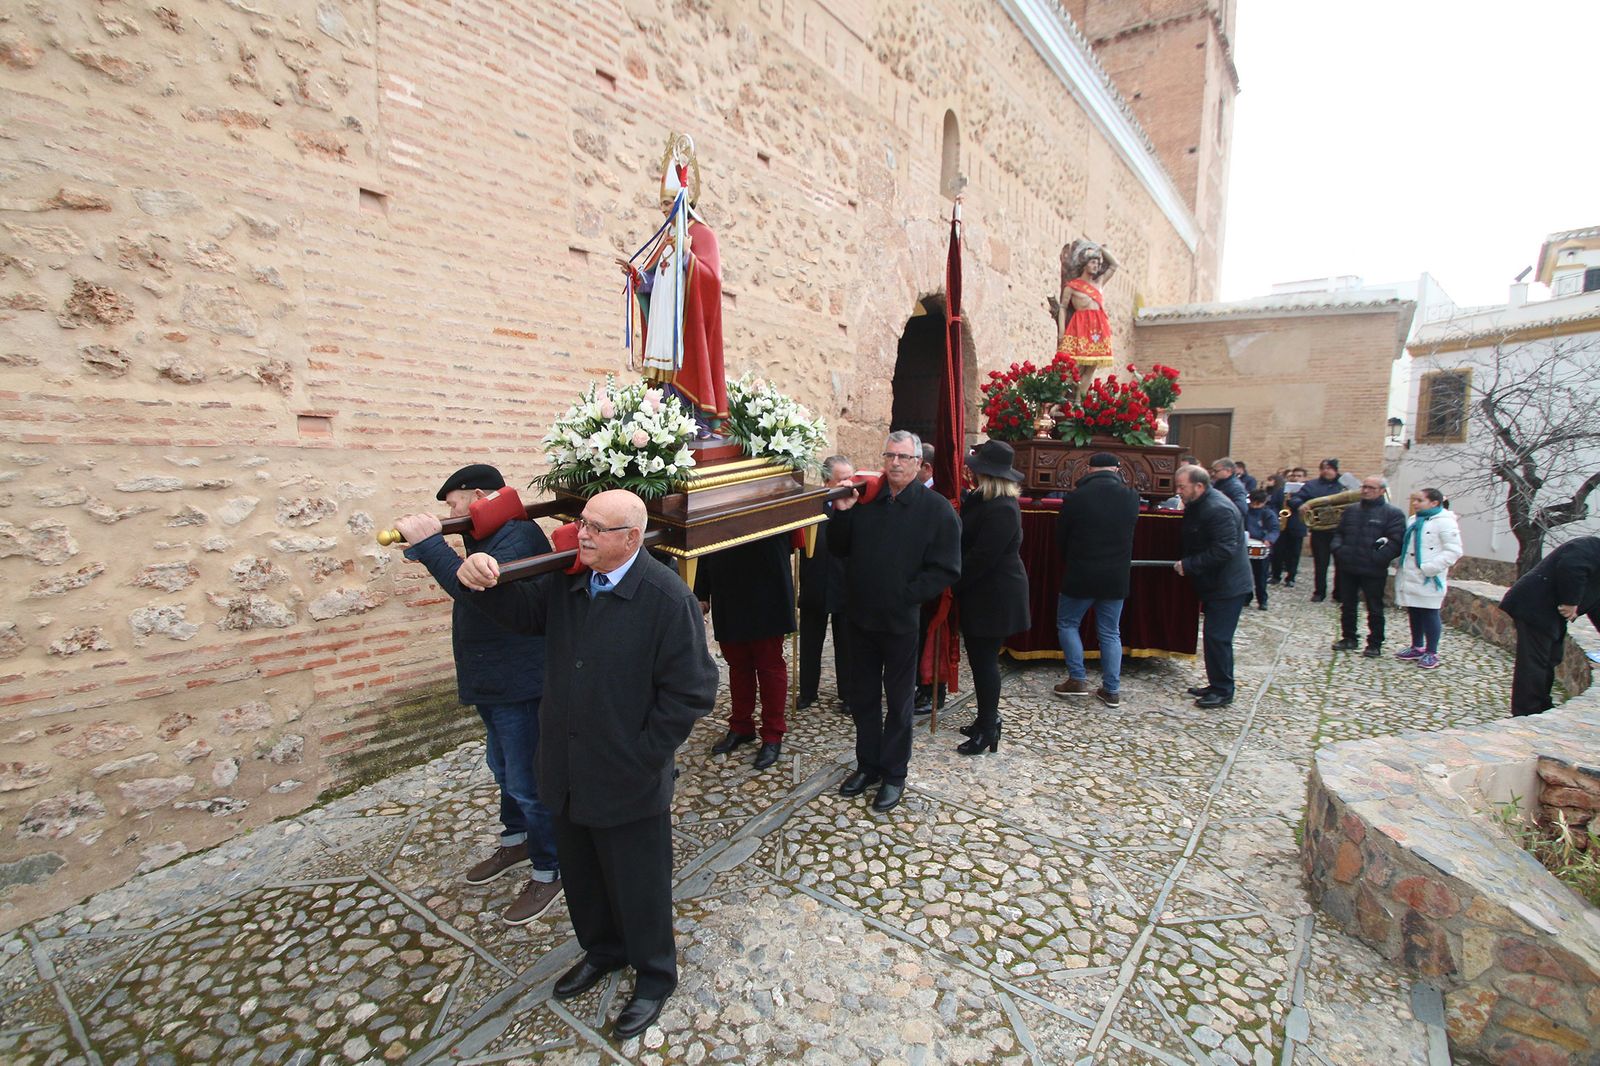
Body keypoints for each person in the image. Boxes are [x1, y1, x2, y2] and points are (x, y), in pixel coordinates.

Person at [455, 490, 717, 1040]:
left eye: (597, 527)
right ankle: (602, 950)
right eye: (582, 523)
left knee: (638, 885)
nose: (583, 534)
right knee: (582, 875)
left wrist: (643, 755)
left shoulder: (666, 598)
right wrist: (475, 575)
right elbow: (518, 614)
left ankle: (654, 976)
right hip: (566, 766)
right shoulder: (570, 580)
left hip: (628, 778)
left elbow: (692, 690)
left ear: (631, 538)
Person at [394, 464, 562, 925]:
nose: (451, 513)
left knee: (527, 780)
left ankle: (550, 869)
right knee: (502, 767)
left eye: (454, 504)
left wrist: (432, 546)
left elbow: (477, 591)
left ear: (478, 496)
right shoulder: (489, 533)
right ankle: (516, 842)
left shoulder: (518, 535)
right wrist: (430, 548)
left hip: (519, 680)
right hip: (493, 678)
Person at [829, 430, 961, 813]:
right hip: (860, 618)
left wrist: (907, 595)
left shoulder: (936, 509)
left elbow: (947, 568)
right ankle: (867, 765)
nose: (895, 463)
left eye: (903, 457)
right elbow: (838, 548)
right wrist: (844, 512)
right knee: (863, 698)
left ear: (918, 463)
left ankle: (894, 774)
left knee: (899, 703)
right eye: (890, 456)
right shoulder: (867, 501)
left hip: (901, 622)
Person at [616, 132, 727, 436]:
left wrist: (688, 256)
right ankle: (667, 418)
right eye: (662, 205)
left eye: (668, 203)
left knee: (686, 369)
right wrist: (639, 278)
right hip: (664, 324)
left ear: (683, 200)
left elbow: (713, 279)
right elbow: (656, 278)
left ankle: (695, 420)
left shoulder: (701, 234)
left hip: (687, 326)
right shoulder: (668, 236)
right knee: (663, 374)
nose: (664, 210)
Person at [949, 441, 1031, 755]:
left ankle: (988, 727)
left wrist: (952, 584)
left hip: (995, 596)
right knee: (979, 660)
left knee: (985, 663)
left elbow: (982, 557)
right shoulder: (983, 499)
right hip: (981, 593)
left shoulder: (1003, 508)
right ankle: (986, 719)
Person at [697, 532, 795, 770]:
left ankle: (772, 733)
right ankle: (741, 726)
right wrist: (701, 590)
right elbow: (703, 534)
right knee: (738, 663)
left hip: (766, 581)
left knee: (769, 665)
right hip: (727, 583)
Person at [1052, 451, 1140, 707]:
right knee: (1111, 632)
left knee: (1068, 623)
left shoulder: (1076, 497)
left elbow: (1061, 536)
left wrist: (1070, 558)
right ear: (1116, 470)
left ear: (1089, 469)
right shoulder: (1130, 497)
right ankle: (1111, 689)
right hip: (1115, 575)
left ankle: (1077, 679)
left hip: (1081, 571)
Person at [1173, 465, 1253, 708]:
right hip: (1214, 583)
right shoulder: (1199, 504)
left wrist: (1190, 564)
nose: (1178, 491)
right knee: (1212, 637)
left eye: (1182, 487)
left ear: (1199, 486)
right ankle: (1216, 683)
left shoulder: (1218, 509)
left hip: (1228, 585)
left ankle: (1223, 690)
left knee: (1218, 637)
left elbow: (1224, 549)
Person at [1498, 536, 1600, 717]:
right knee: (1535, 662)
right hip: (1534, 605)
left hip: (1549, 613)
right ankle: (1527, 711)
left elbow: (1596, 604)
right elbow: (1571, 566)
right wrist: (1571, 601)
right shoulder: (1589, 547)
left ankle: (1541, 704)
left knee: (1551, 658)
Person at [798, 455, 854, 711]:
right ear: (827, 480)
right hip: (815, 582)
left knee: (847, 643)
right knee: (810, 642)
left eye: (850, 478)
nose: (848, 484)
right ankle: (808, 692)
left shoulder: (857, 506)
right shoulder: (813, 507)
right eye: (842, 479)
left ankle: (849, 694)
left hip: (846, 584)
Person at [1330, 475, 1406, 657]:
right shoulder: (1351, 510)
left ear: (1382, 491)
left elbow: (1396, 542)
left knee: (1374, 607)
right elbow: (1339, 533)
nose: (1365, 490)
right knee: (1347, 605)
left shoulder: (1393, 514)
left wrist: (1377, 558)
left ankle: (1374, 643)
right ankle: (1349, 637)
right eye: (1364, 487)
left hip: (1373, 569)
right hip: (1348, 566)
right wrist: (1339, 550)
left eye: (1371, 488)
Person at [1392, 488, 1464, 669]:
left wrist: (1430, 568)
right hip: (1410, 574)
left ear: (1434, 503)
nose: (1415, 503)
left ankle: (1432, 651)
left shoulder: (1445, 522)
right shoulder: (1413, 520)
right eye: (1414, 500)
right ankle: (1417, 646)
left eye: (1420, 500)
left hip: (1429, 577)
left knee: (1430, 611)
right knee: (1414, 609)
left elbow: (1454, 551)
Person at [1049, 238, 1119, 367]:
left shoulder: (1099, 282)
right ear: (1084, 265)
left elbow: (1114, 265)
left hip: (1098, 327)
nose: (1096, 266)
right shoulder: (1072, 286)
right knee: (1074, 366)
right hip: (1080, 326)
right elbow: (1063, 307)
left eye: (1098, 264)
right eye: (1093, 262)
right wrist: (1062, 332)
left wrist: (1100, 249)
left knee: (1090, 369)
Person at [1291, 459, 1349, 602]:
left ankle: (1339, 593)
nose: (1325, 471)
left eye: (1329, 468)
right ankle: (1319, 592)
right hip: (1320, 531)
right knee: (1320, 563)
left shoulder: (1346, 484)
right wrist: (1300, 504)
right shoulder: (1312, 485)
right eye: (1323, 468)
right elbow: (1295, 498)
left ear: (1335, 470)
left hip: (1341, 531)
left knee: (1341, 563)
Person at [1267, 473, 1306, 588]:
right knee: (1278, 552)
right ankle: (1275, 575)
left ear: (1304, 478)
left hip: (1297, 524)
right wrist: (1276, 517)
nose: (1295, 478)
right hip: (1282, 525)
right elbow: (1273, 505)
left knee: (1294, 553)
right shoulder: (1281, 490)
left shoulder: (1306, 491)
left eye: (1299, 476)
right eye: (1294, 475)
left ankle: (1291, 577)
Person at [1244, 489, 1280, 611]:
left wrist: (1269, 539)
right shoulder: (1245, 511)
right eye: (1253, 503)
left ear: (1263, 502)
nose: (1255, 506)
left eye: (1258, 503)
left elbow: (1274, 529)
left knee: (1261, 576)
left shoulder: (1268, 513)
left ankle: (1262, 600)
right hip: (1247, 544)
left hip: (1261, 546)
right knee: (1246, 575)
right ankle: (1246, 597)